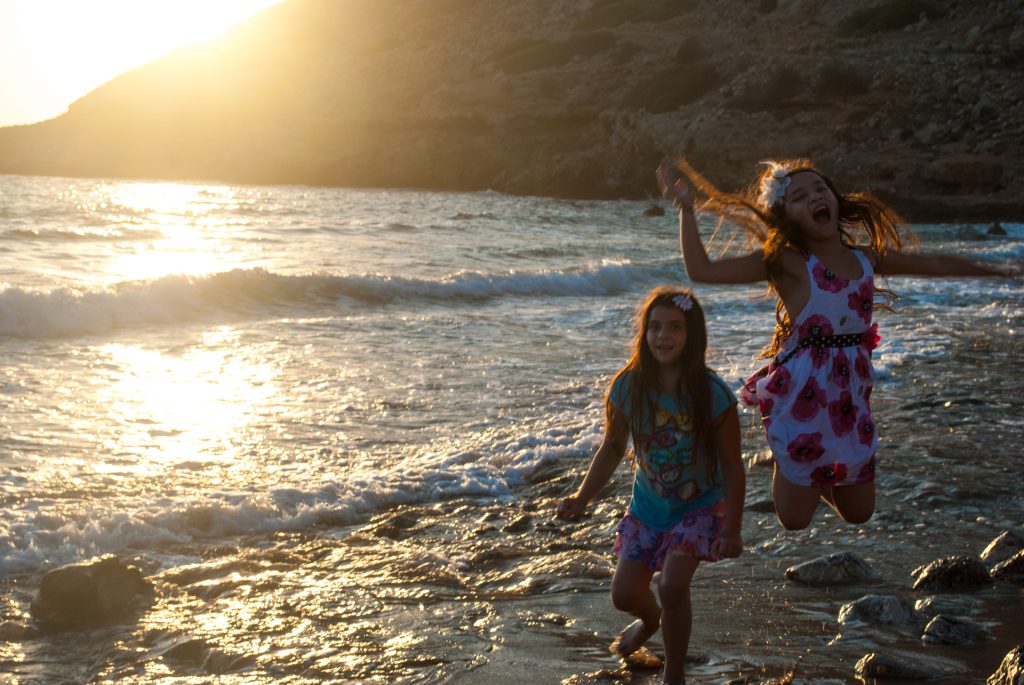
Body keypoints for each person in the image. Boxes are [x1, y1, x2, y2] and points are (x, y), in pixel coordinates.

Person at [657, 157, 1013, 532]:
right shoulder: (788, 263)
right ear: (785, 215)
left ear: (835, 200)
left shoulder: (866, 258)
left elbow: (934, 264)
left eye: (820, 189)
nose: (814, 197)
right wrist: (686, 209)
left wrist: (997, 271)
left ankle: (809, 468)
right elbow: (702, 271)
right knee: (795, 520)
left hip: (849, 398)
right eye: (799, 196)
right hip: (802, 397)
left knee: (859, 512)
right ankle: (786, 455)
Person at [557, 285, 745, 685]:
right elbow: (612, 448)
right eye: (655, 327)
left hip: (699, 505)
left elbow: (732, 464)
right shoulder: (628, 387)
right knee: (624, 595)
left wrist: (732, 527)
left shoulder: (712, 394)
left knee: (673, 585)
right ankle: (651, 620)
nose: (663, 336)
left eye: (675, 327)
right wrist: (582, 497)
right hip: (647, 507)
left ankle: (673, 675)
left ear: (692, 335)